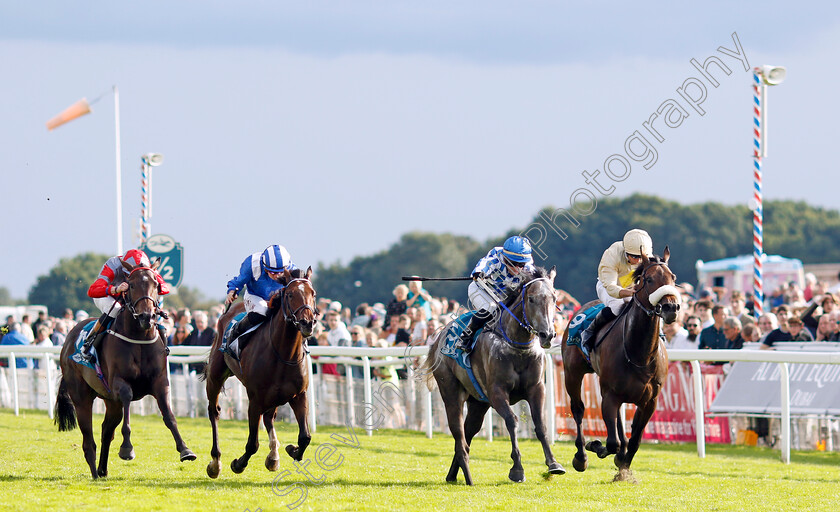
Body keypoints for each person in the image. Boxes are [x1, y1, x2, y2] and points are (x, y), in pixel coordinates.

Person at [81, 249, 169, 362]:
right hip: (108, 295)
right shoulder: (113, 264)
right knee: (115, 309)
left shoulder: (147, 268)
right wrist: (116, 289)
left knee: (150, 308)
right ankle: (90, 342)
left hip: (132, 299)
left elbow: (165, 288)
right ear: (125, 269)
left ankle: (163, 344)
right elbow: (92, 291)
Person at [455, 236, 535, 353]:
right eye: (514, 263)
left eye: (521, 264)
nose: (519, 268)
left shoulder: (528, 267)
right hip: (481, 290)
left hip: (503, 296)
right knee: (491, 308)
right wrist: (479, 273)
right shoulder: (496, 260)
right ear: (506, 259)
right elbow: (484, 265)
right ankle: (465, 337)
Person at [580, 229, 653, 350]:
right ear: (626, 252)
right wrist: (629, 292)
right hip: (607, 286)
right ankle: (589, 331)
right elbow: (611, 287)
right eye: (635, 257)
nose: (639, 261)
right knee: (617, 307)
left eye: (641, 257)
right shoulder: (612, 255)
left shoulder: (646, 255)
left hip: (631, 287)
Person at [225, 244, 297, 351]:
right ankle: (237, 331)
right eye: (272, 272)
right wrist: (231, 292)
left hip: (278, 297)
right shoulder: (252, 264)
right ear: (265, 267)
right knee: (263, 310)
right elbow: (238, 281)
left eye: (280, 272)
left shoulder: (292, 269)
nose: (277, 276)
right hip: (255, 295)